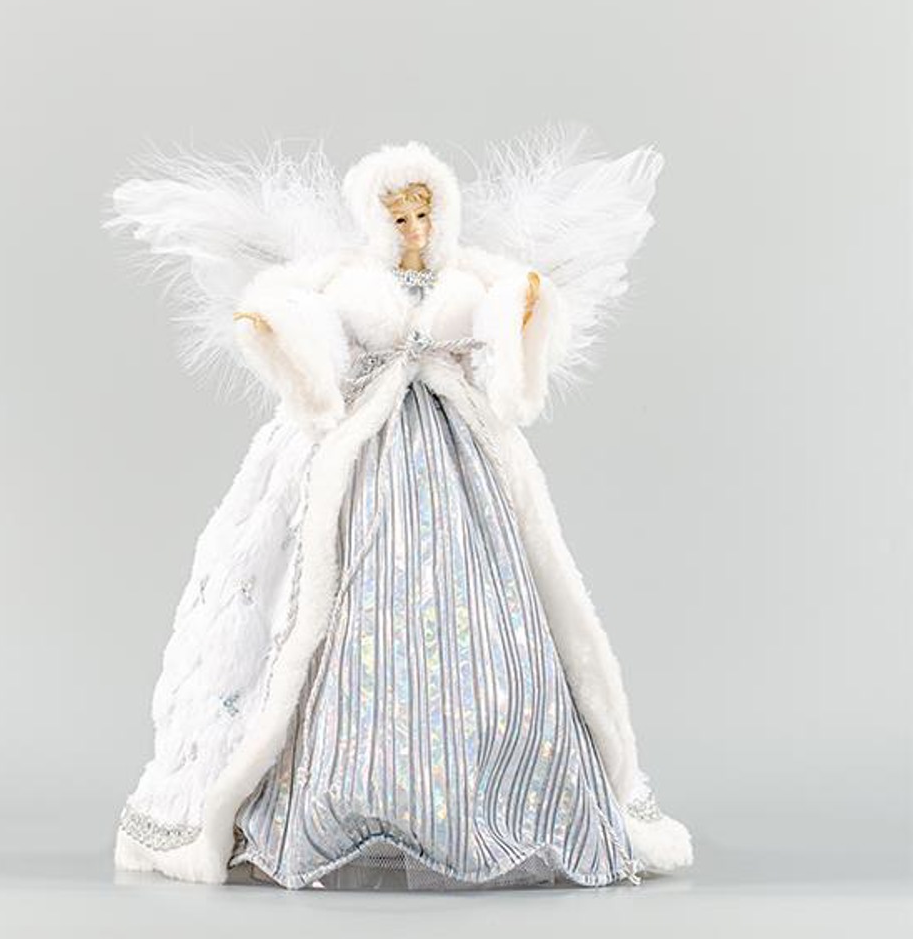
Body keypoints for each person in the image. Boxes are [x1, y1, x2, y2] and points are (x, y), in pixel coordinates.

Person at [104, 124, 693, 889]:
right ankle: (343, 796)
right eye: (400, 217)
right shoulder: (348, 279)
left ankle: (501, 790)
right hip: (368, 457)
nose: (414, 229)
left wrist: (523, 308)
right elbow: (301, 315)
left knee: (489, 616)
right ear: (377, 221)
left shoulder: (467, 276)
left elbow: (509, 315)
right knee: (342, 607)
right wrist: (274, 328)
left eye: (423, 214)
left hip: (457, 457)